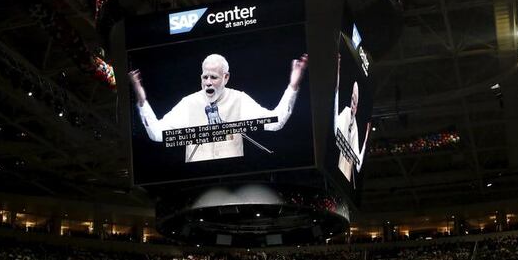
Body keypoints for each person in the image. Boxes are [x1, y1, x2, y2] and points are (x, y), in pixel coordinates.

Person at [129, 53, 308, 162]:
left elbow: (275, 122)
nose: (208, 83)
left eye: (213, 77)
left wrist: (292, 87)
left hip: (234, 178)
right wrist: (142, 101)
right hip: (197, 179)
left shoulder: (239, 100)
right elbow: (157, 133)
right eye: (205, 77)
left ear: (226, 77)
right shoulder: (189, 103)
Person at [334, 57, 370, 183]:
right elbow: (334, 128)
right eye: (352, 100)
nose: (353, 105)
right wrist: (336, 74)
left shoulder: (355, 126)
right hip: (338, 170)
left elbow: (358, 164)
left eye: (355, 102)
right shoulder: (345, 113)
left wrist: (366, 138)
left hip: (347, 177)